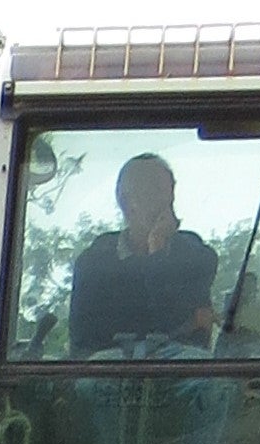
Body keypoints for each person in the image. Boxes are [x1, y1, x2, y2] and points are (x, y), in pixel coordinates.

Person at [68, 151, 216, 353]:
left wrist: (156, 250)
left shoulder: (196, 256)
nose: (165, 199)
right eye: (153, 190)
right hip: (109, 370)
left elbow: (190, 329)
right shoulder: (94, 262)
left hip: (179, 369)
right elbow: (83, 340)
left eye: (168, 190)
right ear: (125, 201)